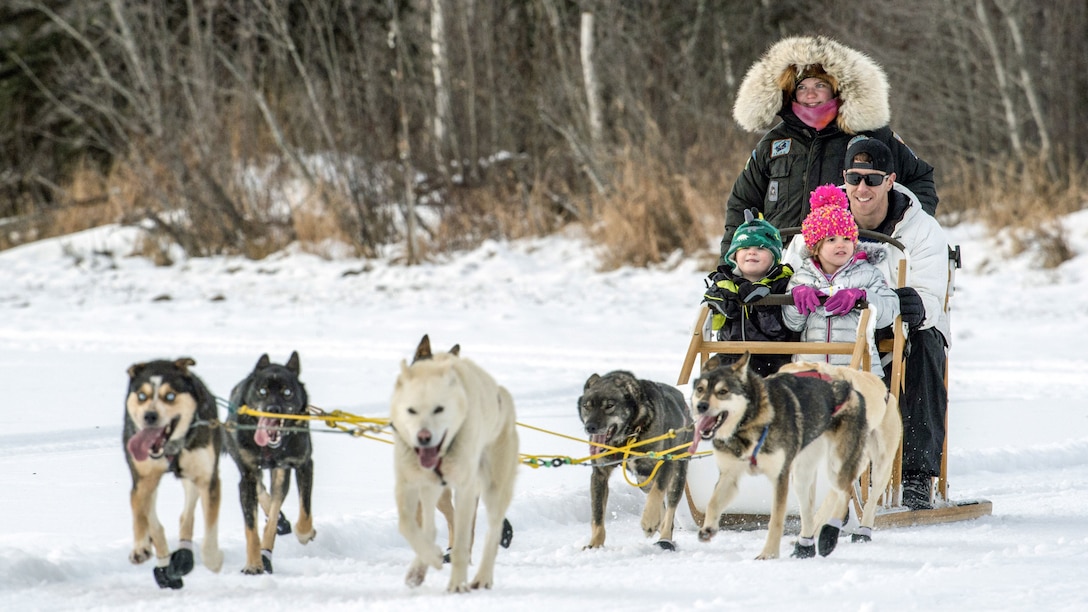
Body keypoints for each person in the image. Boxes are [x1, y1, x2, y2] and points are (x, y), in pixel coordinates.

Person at [721, 35, 938, 263]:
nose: (810, 94)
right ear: (790, 92)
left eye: (820, 85)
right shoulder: (773, 144)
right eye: (802, 87)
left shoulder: (872, 136)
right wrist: (730, 262)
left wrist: (911, 230)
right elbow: (741, 204)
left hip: (852, 264)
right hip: (783, 265)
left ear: (836, 89)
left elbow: (920, 178)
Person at [833, 136, 951, 511]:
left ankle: (917, 473)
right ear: (845, 178)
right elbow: (797, 261)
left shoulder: (920, 226)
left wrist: (908, 304)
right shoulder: (825, 216)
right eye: (854, 178)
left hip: (899, 322)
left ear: (890, 180)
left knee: (926, 344)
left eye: (872, 179)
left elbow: (932, 294)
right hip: (836, 315)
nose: (862, 188)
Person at [782, 185, 899, 376]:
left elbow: (889, 311)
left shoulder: (868, 274)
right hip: (812, 370)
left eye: (846, 238)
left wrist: (864, 297)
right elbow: (793, 323)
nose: (841, 244)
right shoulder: (803, 276)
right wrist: (797, 299)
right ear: (815, 247)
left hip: (858, 370)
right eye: (831, 240)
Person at [702, 210, 798, 377]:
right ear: (734, 255)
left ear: (774, 256)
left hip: (773, 362)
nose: (752, 252)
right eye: (745, 247)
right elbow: (714, 326)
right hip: (731, 359)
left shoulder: (783, 284)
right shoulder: (725, 283)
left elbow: (780, 332)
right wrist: (717, 305)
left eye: (760, 248)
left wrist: (765, 306)